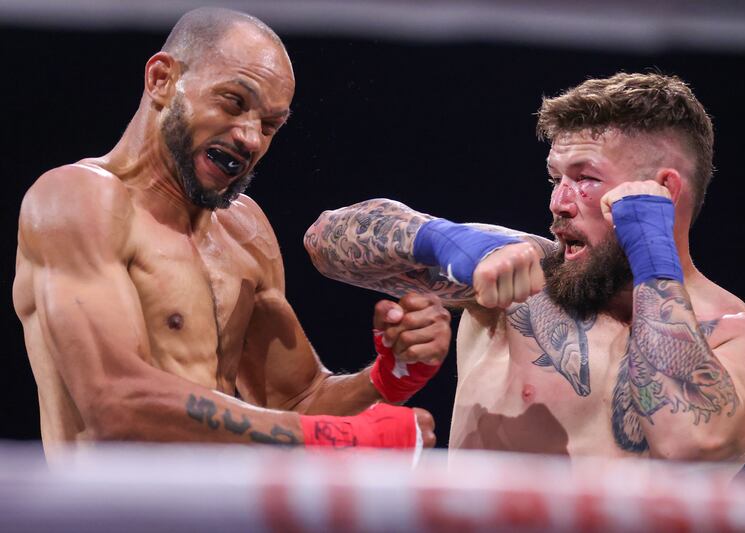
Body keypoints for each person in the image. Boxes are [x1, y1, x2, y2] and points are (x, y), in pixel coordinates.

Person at [12, 7, 451, 458]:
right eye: (234, 102)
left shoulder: (245, 231)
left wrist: (386, 377)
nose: (250, 139)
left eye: (269, 125)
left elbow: (298, 402)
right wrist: (334, 441)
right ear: (162, 79)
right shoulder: (77, 199)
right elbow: (114, 404)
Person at [304, 72, 745, 464]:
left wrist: (652, 256)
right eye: (556, 179)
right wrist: (453, 243)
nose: (558, 203)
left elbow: (689, 442)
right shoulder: (527, 276)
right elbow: (325, 240)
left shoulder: (740, 342)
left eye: (585, 179)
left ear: (663, 190)